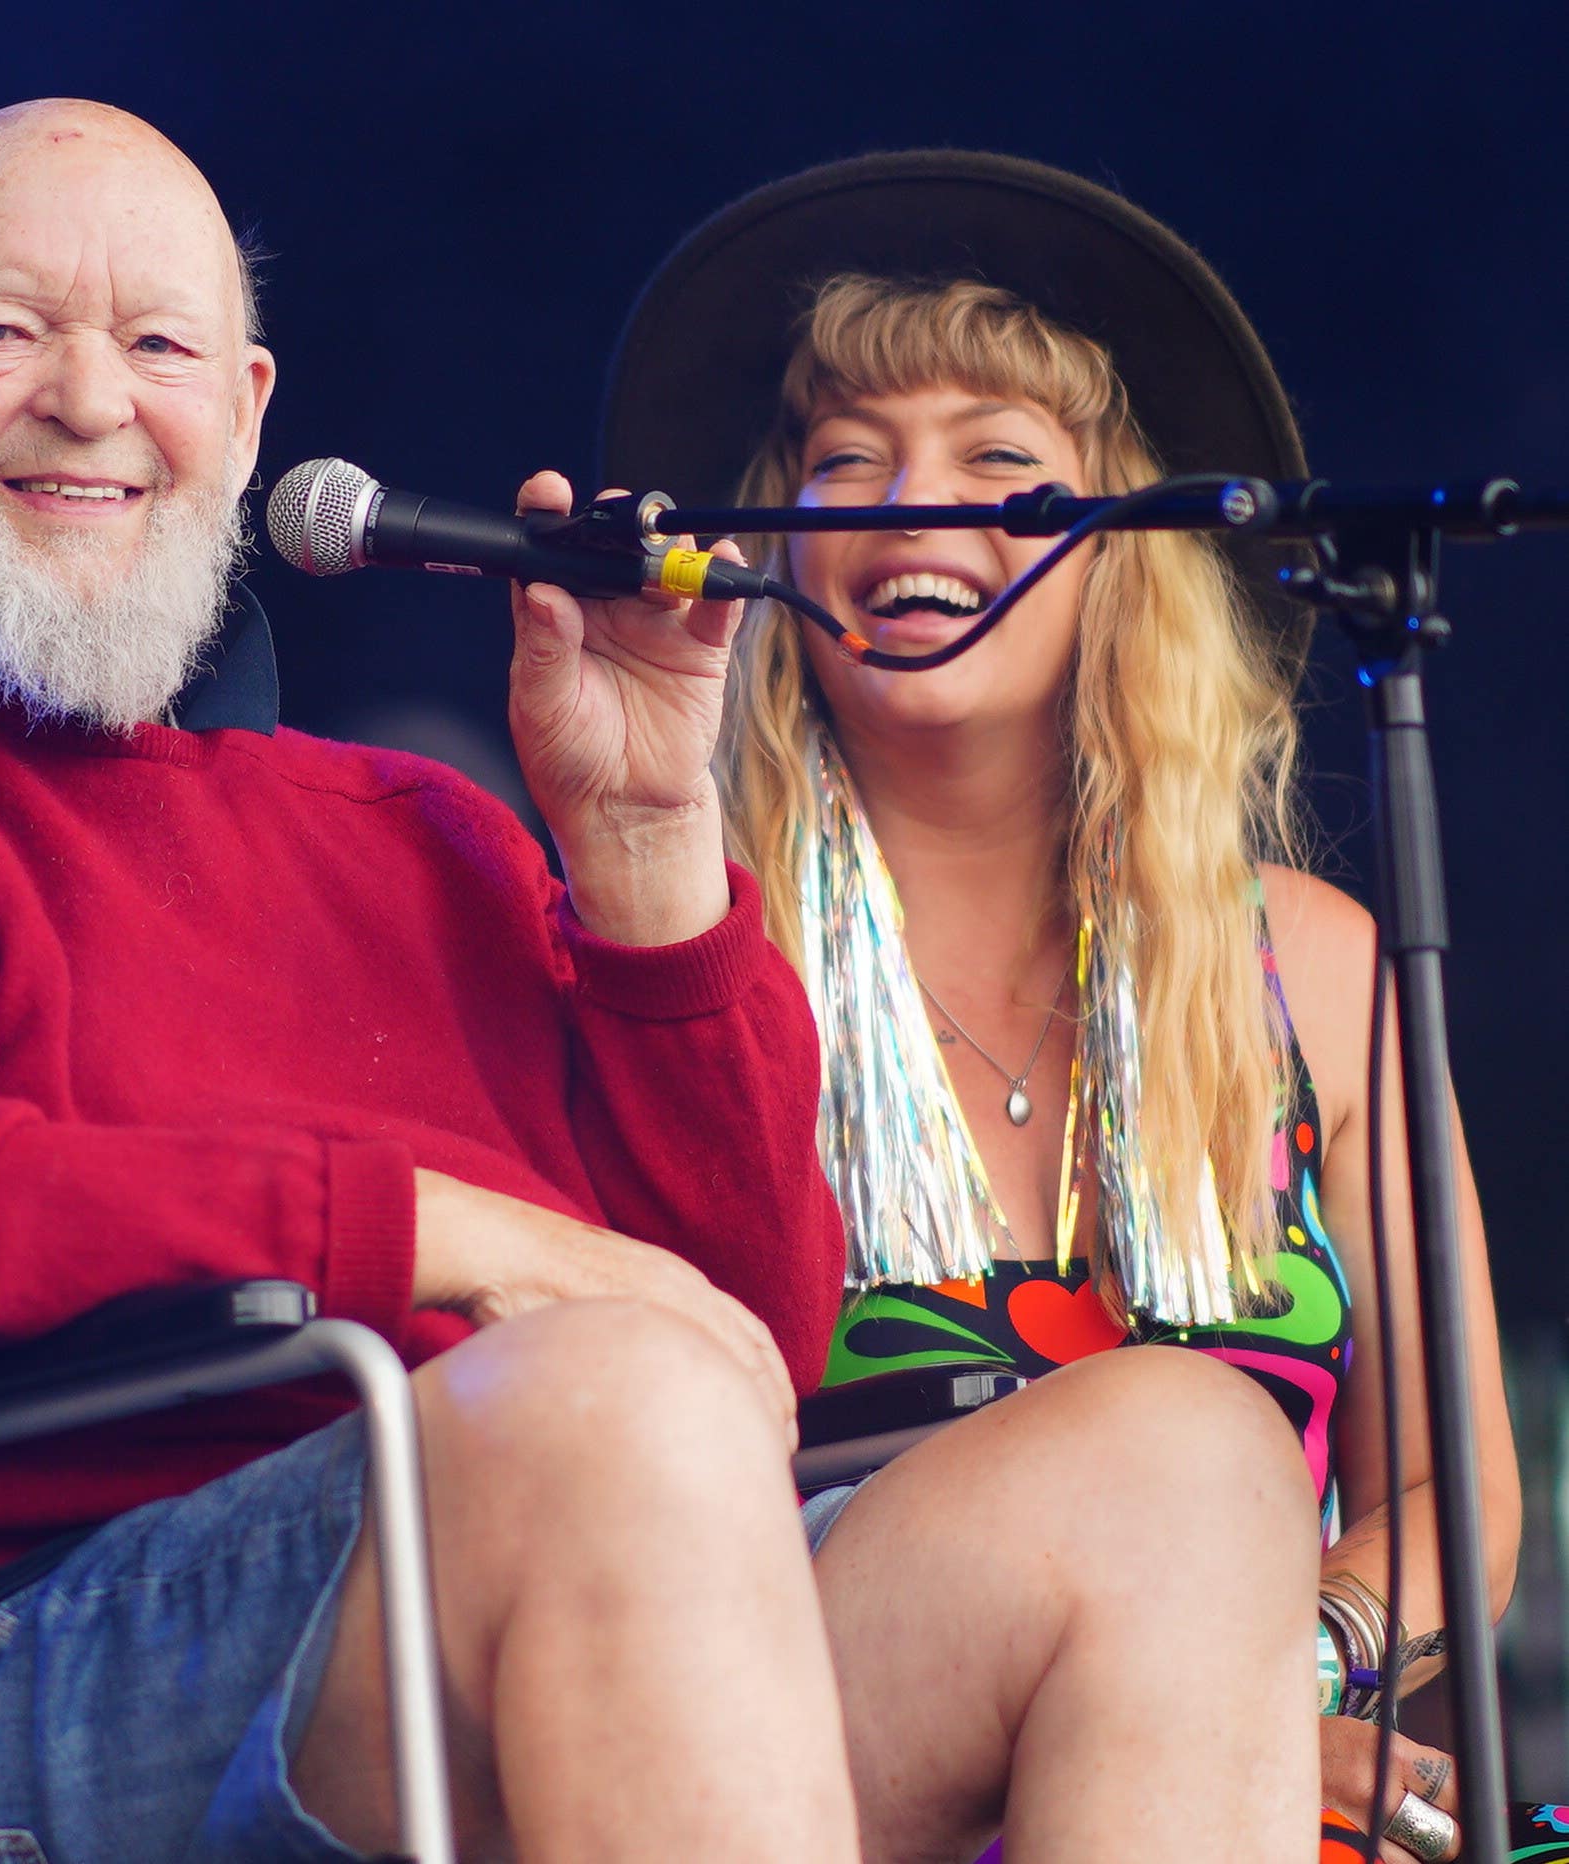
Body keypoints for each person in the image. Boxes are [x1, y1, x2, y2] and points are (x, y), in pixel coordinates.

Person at [0, 105, 1328, 1861]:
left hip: (515, 1597)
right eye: (1, 331)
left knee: (1182, 1459)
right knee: (614, 1402)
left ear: (245, 411)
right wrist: (446, 1231)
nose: (89, 397)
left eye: (158, 340)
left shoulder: (417, 830)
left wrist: (643, 848)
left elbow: (751, 1335)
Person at [603, 151, 1521, 1862]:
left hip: (1243, 1763)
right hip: (804, 1739)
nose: (908, 510)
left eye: (1000, 470)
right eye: (848, 467)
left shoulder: (1311, 964)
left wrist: (1272, 1676)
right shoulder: (675, 945)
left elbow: (1452, 1499)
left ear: (1125, 556)